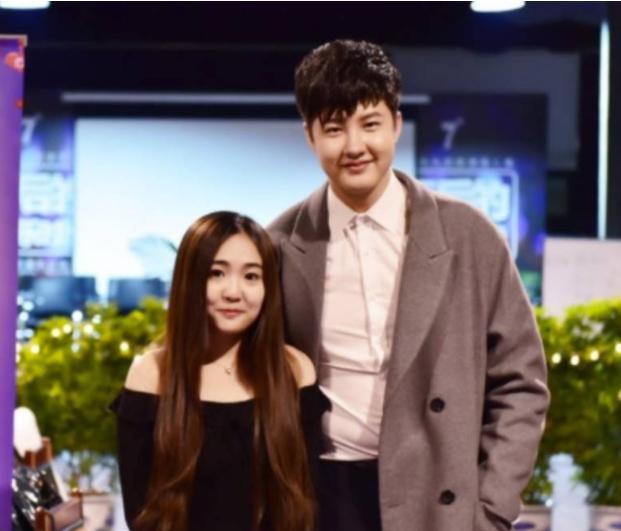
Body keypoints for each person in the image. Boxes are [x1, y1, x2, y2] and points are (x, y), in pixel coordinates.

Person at [268, 40, 550, 531]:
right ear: (310, 136)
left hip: (437, 501)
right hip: (319, 497)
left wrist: (490, 510)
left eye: (370, 124)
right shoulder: (278, 244)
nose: (354, 146)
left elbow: (521, 383)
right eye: (333, 128)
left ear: (396, 125)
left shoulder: (468, 235)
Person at [110, 211, 329, 531]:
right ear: (190, 281)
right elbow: (142, 513)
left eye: (251, 276)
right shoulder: (152, 375)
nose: (233, 292)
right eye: (216, 273)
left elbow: (308, 503)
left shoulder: (294, 370)